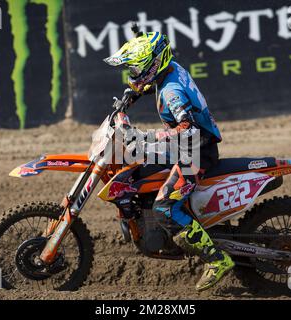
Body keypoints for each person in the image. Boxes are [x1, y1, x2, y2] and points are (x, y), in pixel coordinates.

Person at [104, 29, 234, 292]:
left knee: (165, 206)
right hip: (188, 146)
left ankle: (216, 259)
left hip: (196, 151)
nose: (133, 73)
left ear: (153, 65)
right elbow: (147, 80)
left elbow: (188, 128)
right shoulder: (168, 69)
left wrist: (145, 136)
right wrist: (131, 95)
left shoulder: (172, 91)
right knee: (139, 166)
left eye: (136, 69)